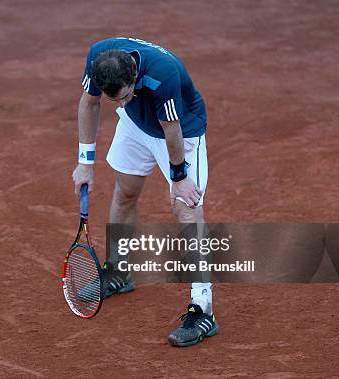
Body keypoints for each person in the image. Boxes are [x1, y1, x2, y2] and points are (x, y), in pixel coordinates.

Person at [72, 37, 217, 347]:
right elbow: (89, 102)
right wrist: (85, 163)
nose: (122, 103)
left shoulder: (162, 73)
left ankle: (203, 309)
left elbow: (171, 129)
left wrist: (179, 177)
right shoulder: (98, 56)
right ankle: (118, 273)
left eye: (125, 95)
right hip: (138, 126)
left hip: (182, 131)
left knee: (186, 207)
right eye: (117, 100)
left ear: (134, 75)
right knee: (125, 191)